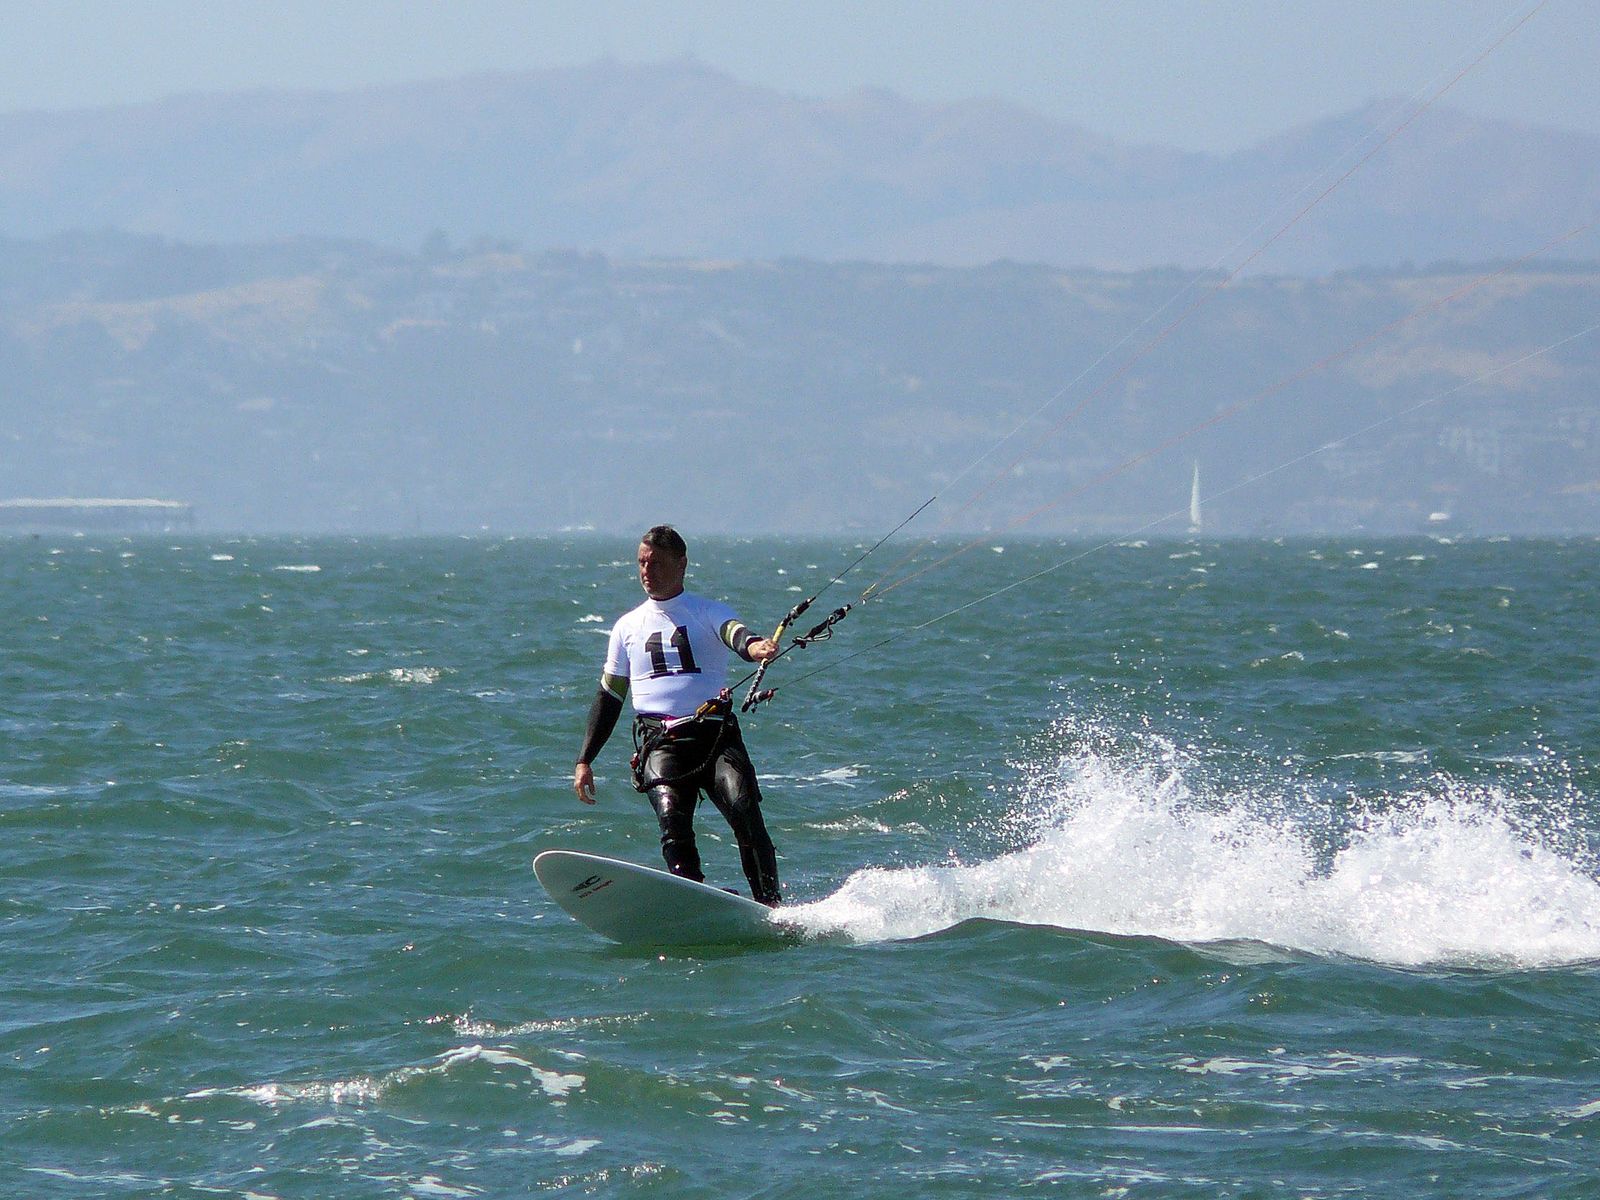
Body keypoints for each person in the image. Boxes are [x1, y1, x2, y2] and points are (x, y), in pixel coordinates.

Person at [573, 525, 783, 905]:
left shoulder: (707, 611)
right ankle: (694, 897)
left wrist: (754, 648)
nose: (646, 571)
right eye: (641, 562)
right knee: (673, 822)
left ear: (681, 564)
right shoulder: (627, 627)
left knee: (745, 813)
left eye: (655, 563)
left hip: (716, 739)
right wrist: (585, 760)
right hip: (660, 742)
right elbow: (610, 696)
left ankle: (770, 903)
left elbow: (735, 633)